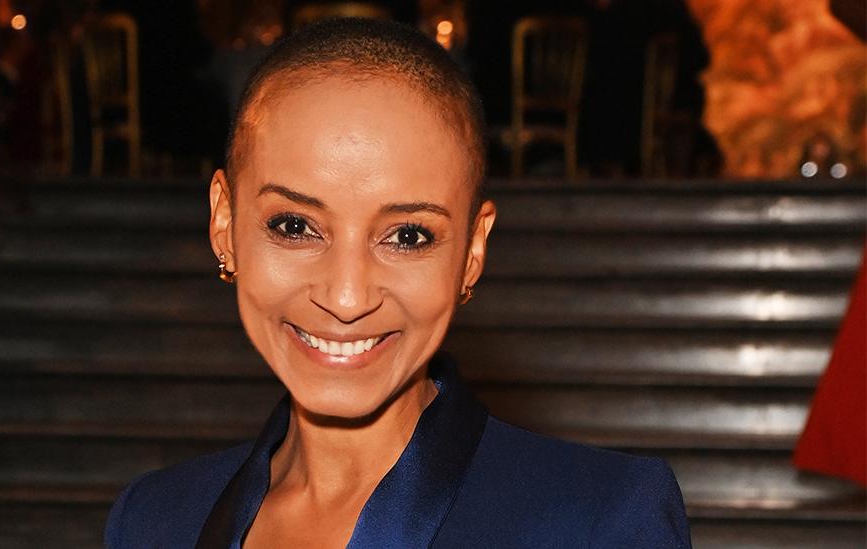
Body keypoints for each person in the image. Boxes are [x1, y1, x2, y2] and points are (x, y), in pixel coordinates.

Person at [104, 17, 691, 548]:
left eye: (407, 236)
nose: (346, 296)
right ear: (225, 223)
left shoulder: (601, 521)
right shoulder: (155, 520)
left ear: (472, 250)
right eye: (295, 226)